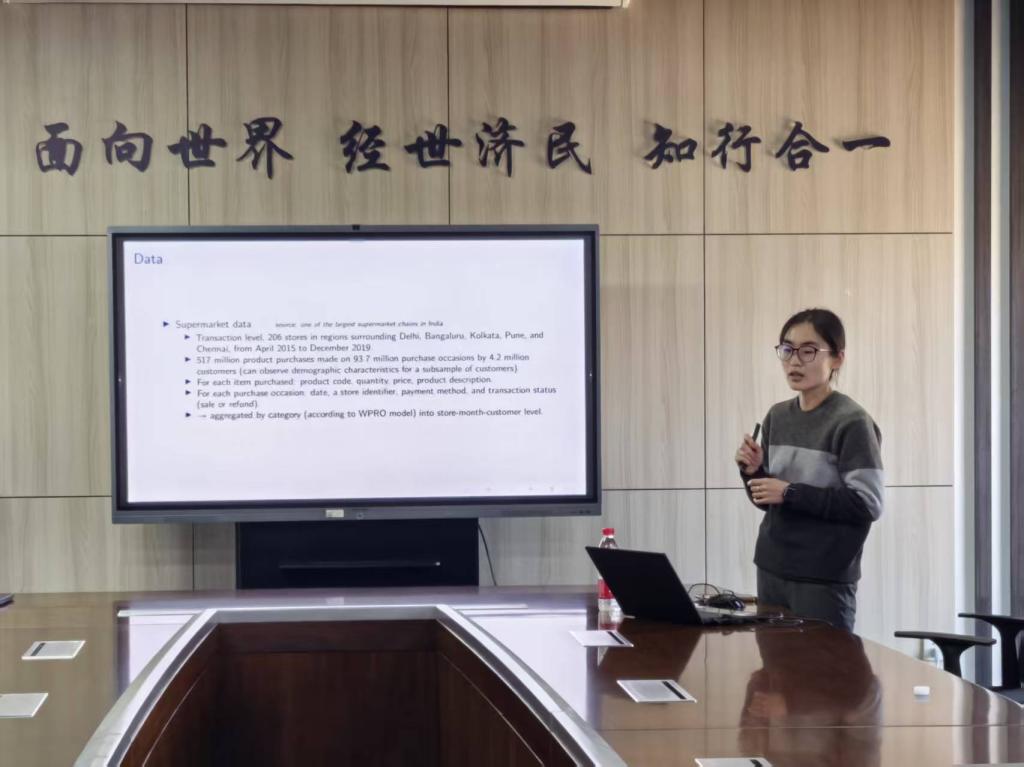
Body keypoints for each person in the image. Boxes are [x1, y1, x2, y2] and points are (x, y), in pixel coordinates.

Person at [734, 308, 883, 631]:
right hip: (772, 567)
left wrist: (789, 492)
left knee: (823, 665)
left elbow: (867, 504)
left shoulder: (852, 422)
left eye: (808, 351)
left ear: (838, 358)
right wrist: (754, 472)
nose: (794, 361)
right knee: (773, 663)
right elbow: (768, 501)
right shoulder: (777, 416)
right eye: (787, 350)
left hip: (823, 577)